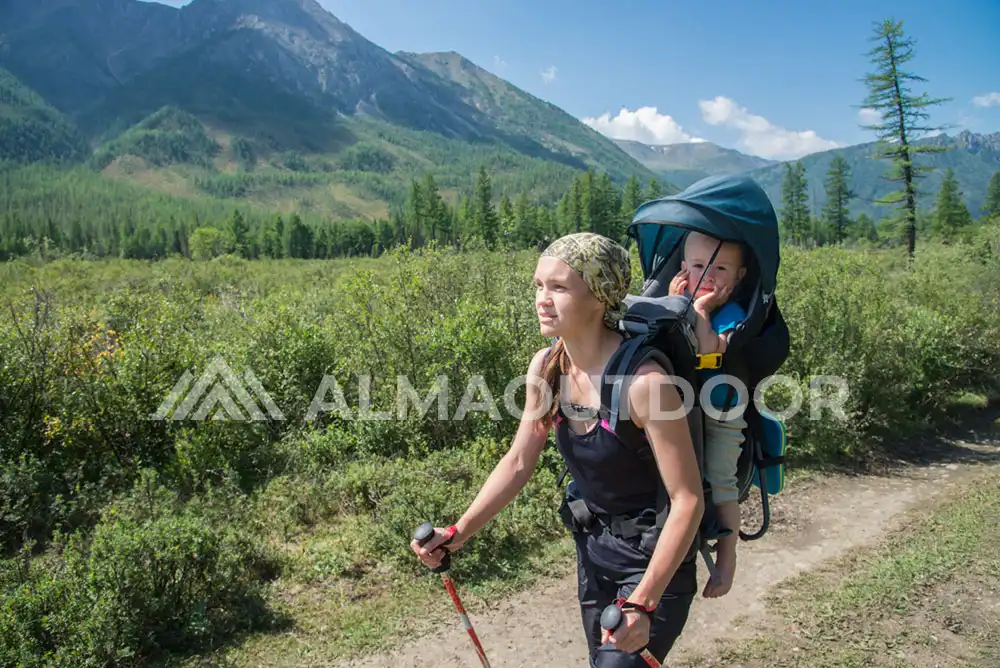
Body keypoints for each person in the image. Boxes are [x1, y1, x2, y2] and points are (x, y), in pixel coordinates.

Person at [412, 232, 705, 665]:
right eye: (538, 285)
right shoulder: (548, 366)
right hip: (595, 553)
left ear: (600, 296)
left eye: (559, 287)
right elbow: (518, 461)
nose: (541, 299)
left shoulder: (646, 386)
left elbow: (688, 500)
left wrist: (643, 603)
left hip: (653, 564)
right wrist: (458, 533)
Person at [667, 230, 749, 599]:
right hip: (682, 406)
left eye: (721, 268)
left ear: (739, 277)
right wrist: (672, 304)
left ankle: (728, 557)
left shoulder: (732, 313)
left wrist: (699, 311)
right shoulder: (676, 301)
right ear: (684, 269)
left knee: (720, 477)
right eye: (699, 266)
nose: (708, 276)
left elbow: (709, 350)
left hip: (722, 409)